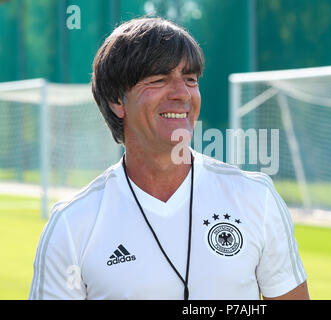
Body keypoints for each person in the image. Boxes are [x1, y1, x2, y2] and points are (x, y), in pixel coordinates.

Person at [29, 17, 309, 300]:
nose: (182, 93)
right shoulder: (72, 223)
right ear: (117, 101)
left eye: (190, 79)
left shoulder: (255, 198)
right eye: (159, 80)